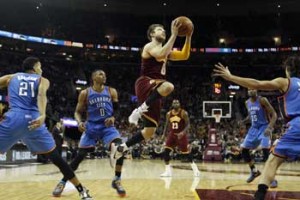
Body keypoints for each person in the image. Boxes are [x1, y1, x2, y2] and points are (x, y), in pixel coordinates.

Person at [0, 57, 92, 200]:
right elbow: (41, 94)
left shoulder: (11, 77)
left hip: (13, 119)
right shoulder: (42, 80)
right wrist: (42, 114)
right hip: (33, 120)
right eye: (40, 66)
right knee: (57, 159)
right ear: (35, 68)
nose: (41, 69)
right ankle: (82, 191)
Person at [213, 56, 300, 200]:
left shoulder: (285, 82)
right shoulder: (248, 103)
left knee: (273, 160)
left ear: (287, 70)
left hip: (295, 124)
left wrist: (230, 77)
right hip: (259, 127)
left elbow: (256, 83)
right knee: (248, 150)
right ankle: (254, 170)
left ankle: (259, 195)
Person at [111, 19, 193, 161]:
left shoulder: (165, 50)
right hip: (146, 82)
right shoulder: (149, 46)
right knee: (169, 86)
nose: (164, 32)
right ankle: (139, 109)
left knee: (149, 131)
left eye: (164, 31)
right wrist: (174, 35)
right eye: (160, 30)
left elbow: (185, 55)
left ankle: (121, 148)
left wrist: (188, 36)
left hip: (156, 88)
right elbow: (161, 54)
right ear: (152, 34)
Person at [52, 69, 126, 197]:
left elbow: (117, 110)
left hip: (107, 127)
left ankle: (117, 180)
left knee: (120, 148)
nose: (104, 76)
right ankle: (62, 181)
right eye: (100, 74)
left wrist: (114, 117)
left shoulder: (111, 91)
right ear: (93, 77)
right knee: (79, 157)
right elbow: (77, 112)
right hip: (91, 127)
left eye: (105, 74)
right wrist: (79, 122)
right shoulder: (85, 93)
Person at [238, 89, 278, 187]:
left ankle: (271, 178)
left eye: (253, 88)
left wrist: (269, 127)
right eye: (249, 89)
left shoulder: (262, 100)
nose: (251, 90)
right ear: (247, 91)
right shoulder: (247, 102)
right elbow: (251, 116)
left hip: (264, 127)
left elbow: (274, 115)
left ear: (256, 90)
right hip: (254, 128)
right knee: (243, 150)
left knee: (265, 152)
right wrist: (243, 121)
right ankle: (254, 171)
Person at [160, 99, 200, 177]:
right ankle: (168, 172)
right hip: (172, 135)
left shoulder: (183, 113)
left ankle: (196, 170)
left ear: (180, 104)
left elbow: (188, 125)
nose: (176, 104)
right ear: (172, 104)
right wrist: (163, 134)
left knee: (186, 154)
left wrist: (183, 132)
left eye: (177, 102)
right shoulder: (168, 114)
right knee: (166, 152)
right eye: (174, 102)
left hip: (181, 135)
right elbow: (166, 125)